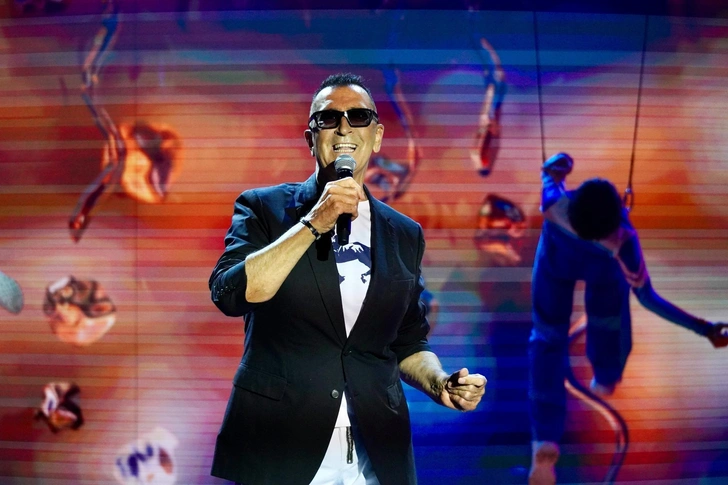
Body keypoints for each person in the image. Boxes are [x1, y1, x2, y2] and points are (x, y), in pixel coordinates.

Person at [208, 73, 487, 485]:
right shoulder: (263, 208)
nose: (343, 128)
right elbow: (230, 294)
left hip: (376, 449)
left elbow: (407, 340)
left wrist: (438, 383)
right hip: (281, 443)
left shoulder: (403, 233)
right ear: (311, 138)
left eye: (358, 117)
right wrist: (313, 223)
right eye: (328, 118)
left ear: (377, 136)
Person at [528, 152, 728, 485]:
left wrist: (559, 165)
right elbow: (649, 299)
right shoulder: (622, 241)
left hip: (556, 263)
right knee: (609, 318)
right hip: (602, 269)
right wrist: (704, 328)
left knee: (546, 339)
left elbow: (551, 173)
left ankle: (544, 439)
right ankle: (606, 375)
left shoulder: (553, 203)